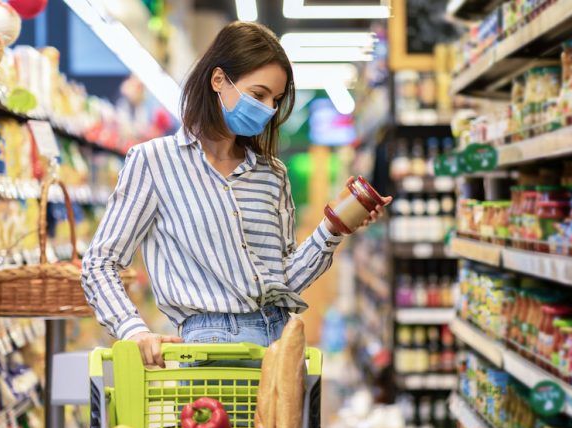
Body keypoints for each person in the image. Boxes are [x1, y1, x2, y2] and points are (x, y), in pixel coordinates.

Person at [81, 21, 391, 367]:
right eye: (258, 95)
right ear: (219, 81)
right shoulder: (154, 163)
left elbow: (285, 281)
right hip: (207, 352)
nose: (269, 109)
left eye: (275, 99)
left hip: (279, 346)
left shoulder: (272, 175)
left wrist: (334, 228)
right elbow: (100, 263)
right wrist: (132, 329)